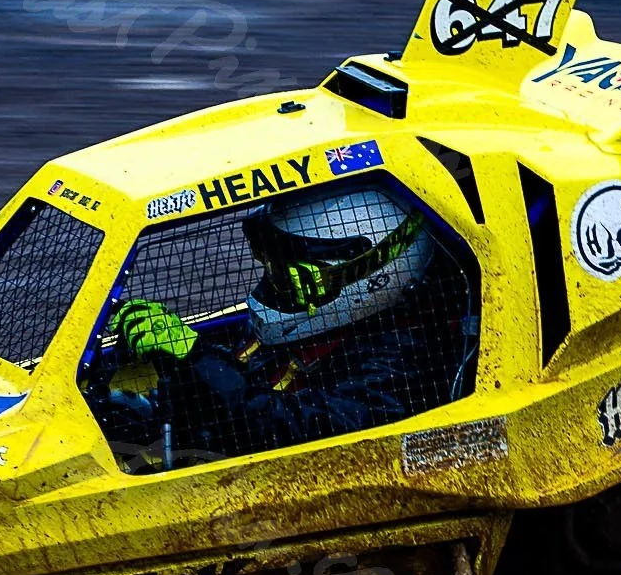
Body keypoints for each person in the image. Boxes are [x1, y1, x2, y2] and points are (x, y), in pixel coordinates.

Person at [93, 185, 474, 466]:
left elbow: (290, 432)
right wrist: (156, 398)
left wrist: (197, 359)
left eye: (291, 279)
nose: (275, 287)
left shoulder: (399, 364)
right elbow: (250, 389)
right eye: (271, 267)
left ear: (373, 274)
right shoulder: (313, 329)